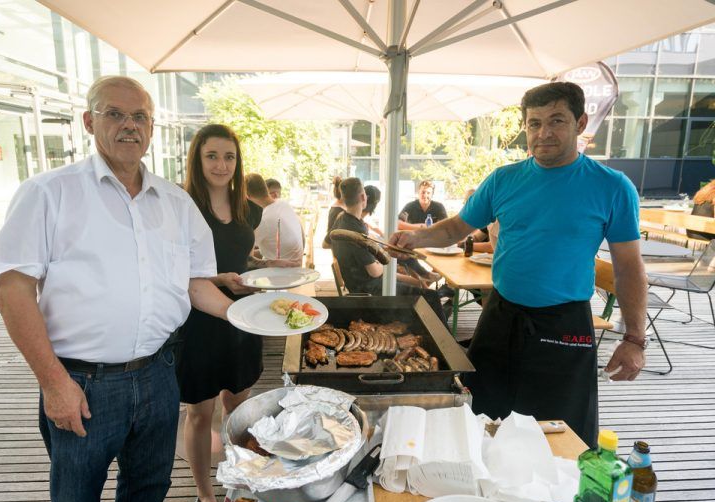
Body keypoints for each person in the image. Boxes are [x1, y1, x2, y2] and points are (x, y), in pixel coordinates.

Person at [0, 76, 232, 502]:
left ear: (152, 129)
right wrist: (53, 383)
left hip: (159, 374)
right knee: (76, 499)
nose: (129, 125)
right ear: (88, 121)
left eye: (139, 116)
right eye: (114, 114)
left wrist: (248, 315)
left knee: (148, 490)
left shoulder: (176, 202)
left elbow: (194, 284)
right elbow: (13, 292)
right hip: (81, 381)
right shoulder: (49, 193)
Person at [390, 82, 648, 445]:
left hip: (565, 323)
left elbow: (629, 268)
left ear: (581, 122)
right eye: (534, 123)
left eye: (556, 120)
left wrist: (635, 338)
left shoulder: (612, 187)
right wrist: (415, 239)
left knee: (560, 433)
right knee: (480, 416)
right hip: (500, 316)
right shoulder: (503, 180)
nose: (543, 133)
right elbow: (458, 227)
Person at [176, 124, 283, 502]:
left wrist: (261, 269)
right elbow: (175, 268)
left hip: (242, 319)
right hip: (198, 321)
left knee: (239, 407)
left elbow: (242, 258)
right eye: (212, 156)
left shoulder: (248, 208)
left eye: (229, 157)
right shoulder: (181, 205)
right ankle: (205, 492)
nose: (221, 165)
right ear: (197, 159)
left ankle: (240, 481)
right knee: (200, 413)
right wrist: (215, 279)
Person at [331, 177, 447, 323]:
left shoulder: (341, 218)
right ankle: (444, 338)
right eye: (365, 194)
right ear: (362, 197)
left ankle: (424, 289)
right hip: (367, 290)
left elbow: (335, 245)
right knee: (430, 296)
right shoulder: (355, 229)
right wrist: (391, 263)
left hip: (357, 282)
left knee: (416, 282)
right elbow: (374, 272)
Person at [246, 172, 304, 265]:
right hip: (296, 266)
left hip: (282, 273)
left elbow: (246, 256)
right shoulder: (283, 204)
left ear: (247, 196)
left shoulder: (262, 219)